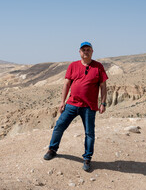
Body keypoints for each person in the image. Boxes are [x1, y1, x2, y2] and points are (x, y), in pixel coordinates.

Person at [44, 41, 108, 171]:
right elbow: (66, 84)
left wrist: (103, 103)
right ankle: (52, 149)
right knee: (59, 126)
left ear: (92, 51)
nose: (86, 51)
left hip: (89, 107)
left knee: (89, 133)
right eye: (83, 49)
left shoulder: (98, 67)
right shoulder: (73, 66)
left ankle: (87, 158)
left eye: (88, 49)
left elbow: (103, 86)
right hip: (72, 104)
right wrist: (62, 102)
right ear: (79, 52)